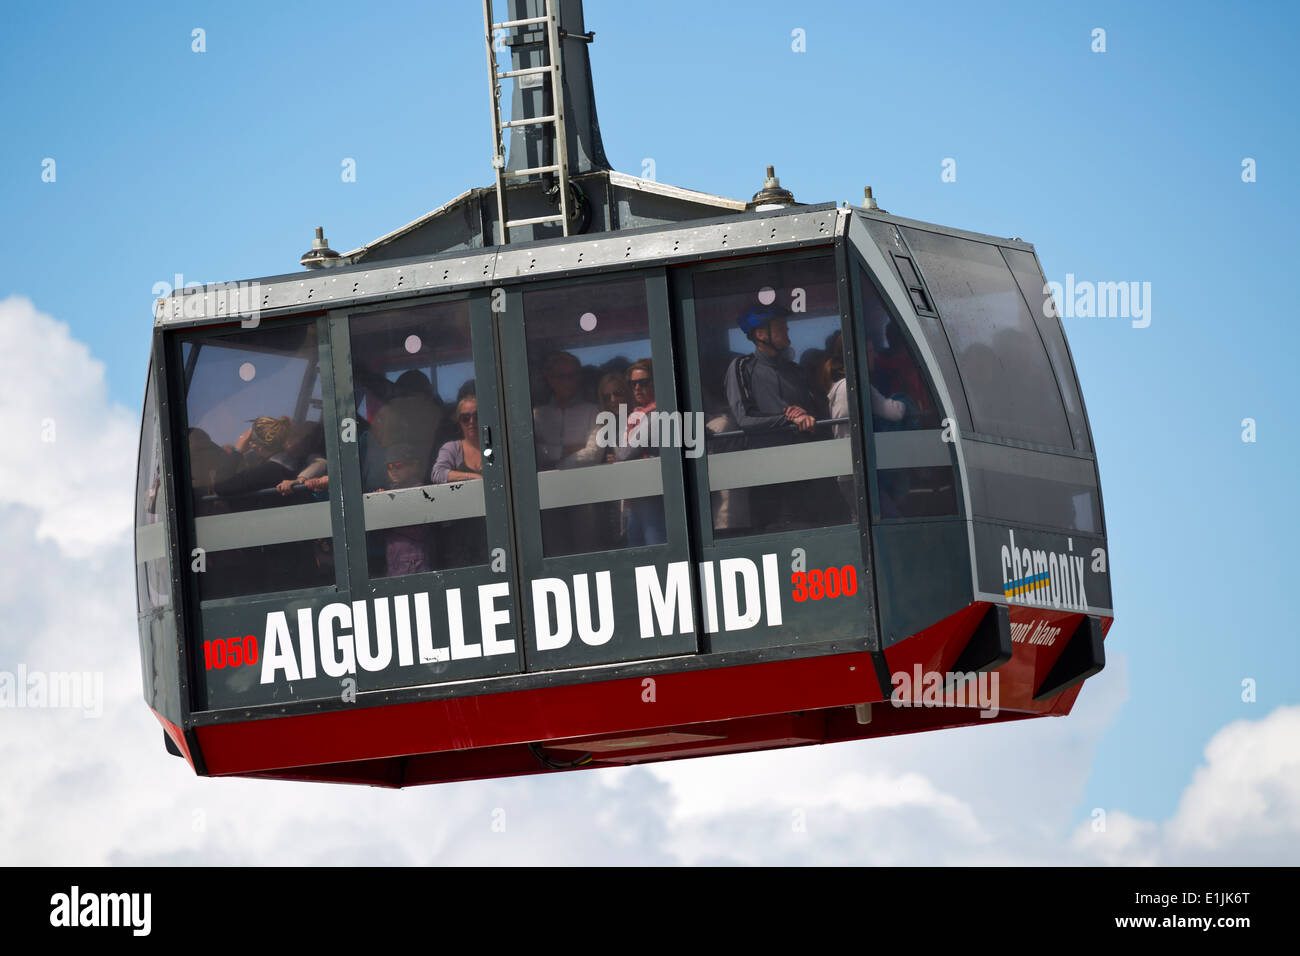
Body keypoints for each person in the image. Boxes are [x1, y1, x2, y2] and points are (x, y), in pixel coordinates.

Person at [723, 306, 818, 444]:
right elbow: (745, 419)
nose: (787, 329)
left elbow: (814, 414)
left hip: (804, 451)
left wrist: (806, 417)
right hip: (764, 457)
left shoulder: (796, 370)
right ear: (760, 334)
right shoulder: (741, 366)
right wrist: (789, 418)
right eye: (780, 326)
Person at [615, 359, 666, 547]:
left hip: (651, 492)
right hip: (636, 492)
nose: (637, 387)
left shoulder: (658, 413)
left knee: (655, 547)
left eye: (643, 382)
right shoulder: (636, 415)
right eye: (632, 383)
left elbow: (623, 454)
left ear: (657, 381)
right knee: (637, 550)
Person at [533, 351, 599, 471]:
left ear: (579, 378)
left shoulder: (593, 411)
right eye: (561, 376)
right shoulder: (537, 415)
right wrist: (562, 451)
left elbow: (593, 454)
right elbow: (531, 453)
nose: (567, 382)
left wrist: (556, 466)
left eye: (572, 376)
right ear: (550, 379)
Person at [376, 443, 434, 576]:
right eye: (389, 467)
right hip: (394, 563)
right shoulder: (389, 492)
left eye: (398, 465)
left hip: (414, 563)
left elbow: (422, 529)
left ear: (414, 467)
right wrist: (378, 504)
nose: (393, 470)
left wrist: (389, 520)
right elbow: (378, 534)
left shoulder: (419, 491)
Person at [430, 396, 484, 483]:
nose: (471, 421)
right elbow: (437, 473)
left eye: (476, 416)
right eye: (465, 417)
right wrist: (474, 476)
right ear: (459, 421)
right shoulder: (453, 448)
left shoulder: (495, 445)